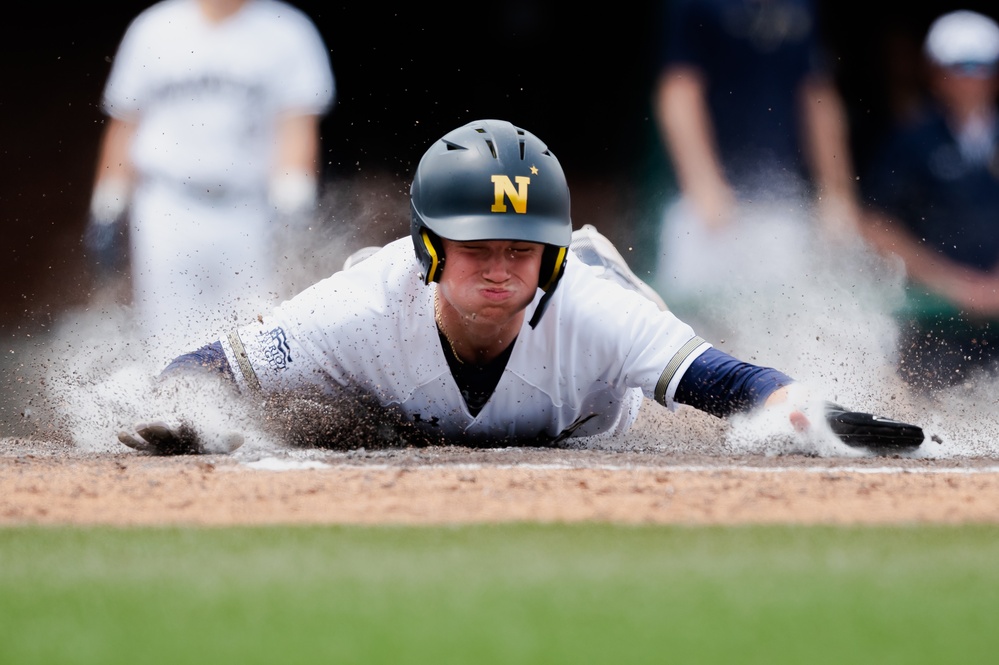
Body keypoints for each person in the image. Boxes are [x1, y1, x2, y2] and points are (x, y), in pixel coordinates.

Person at [116, 119, 922, 456]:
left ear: (553, 256)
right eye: (476, 249)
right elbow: (209, 367)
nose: (501, 267)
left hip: (588, 419)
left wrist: (806, 410)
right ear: (429, 248)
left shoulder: (595, 306)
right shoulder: (358, 304)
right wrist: (190, 416)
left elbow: (733, 381)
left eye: (523, 249)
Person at [83, 0, 335, 360]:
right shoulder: (154, 28)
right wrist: (107, 205)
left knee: (252, 333)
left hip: (248, 208)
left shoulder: (287, 30)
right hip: (168, 207)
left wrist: (294, 204)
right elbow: (126, 123)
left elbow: (296, 126)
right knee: (167, 337)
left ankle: (241, 417)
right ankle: (172, 414)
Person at [651, 0, 862, 338]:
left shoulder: (802, 7)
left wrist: (835, 191)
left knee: (781, 338)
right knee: (683, 336)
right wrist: (704, 184)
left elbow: (817, 97)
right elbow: (678, 92)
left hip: (779, 207)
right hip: (706, 210)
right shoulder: (697, 5)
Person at [860, 9, 999, 392]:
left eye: (982, 66)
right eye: (960, 66)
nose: (971, 78)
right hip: (931, 326)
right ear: (936, 72)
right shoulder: (910, 140)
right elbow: (875, 225)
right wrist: (950, 284)